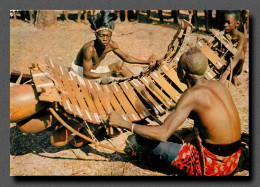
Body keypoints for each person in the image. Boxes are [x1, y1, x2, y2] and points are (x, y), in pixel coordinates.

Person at [108, 47, 242, 176]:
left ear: (183, 73)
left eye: (177, 67)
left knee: (144, 139)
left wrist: (124, 123)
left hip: (213, 167)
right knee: (174, 134)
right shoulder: (218, 85)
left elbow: (162, 135)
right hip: (234, 159)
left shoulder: (191, 95)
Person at [70, 10, 156, 82]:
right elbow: (87, 74)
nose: (105, 39)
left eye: (108, 36)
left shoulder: (111, 44)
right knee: (108, 80)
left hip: (94, 71)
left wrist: (147, 62)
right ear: (96, 35)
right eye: (101, 36)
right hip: (81, 74)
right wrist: (110, 74)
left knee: (119, 65)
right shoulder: (89, 49)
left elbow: (126, 58)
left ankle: (138, 84)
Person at [220, 10, 247, 86]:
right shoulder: (225, 33)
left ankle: (234, 75)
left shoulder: (241, 37)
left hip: (236, 65)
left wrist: (225, 75)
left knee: (240, 54)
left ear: (237, 23)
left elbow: (237, 54)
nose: (225, 25)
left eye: (228, 22)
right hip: (226, 61)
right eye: (224, 22)